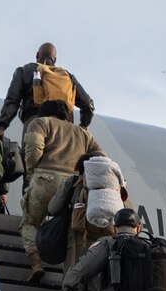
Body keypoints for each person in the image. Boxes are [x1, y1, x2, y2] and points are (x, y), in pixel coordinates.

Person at [18, 99, 104, 274]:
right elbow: (101, 156)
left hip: (46, 178)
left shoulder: (41, 122)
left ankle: (36, 265)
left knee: (30, 222)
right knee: (70, 229)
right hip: (73, 186)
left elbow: (34, 145)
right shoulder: (83, 133)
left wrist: (33, 168)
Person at [0, 41, 95, 133]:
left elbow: (13, 100)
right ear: (55, 60)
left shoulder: (25, 70)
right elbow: (88, 104)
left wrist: (2, 125)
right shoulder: (68, 77)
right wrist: (84, 124)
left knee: (33, 149)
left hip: (35, 124)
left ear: (37, 55)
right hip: (64, 130)